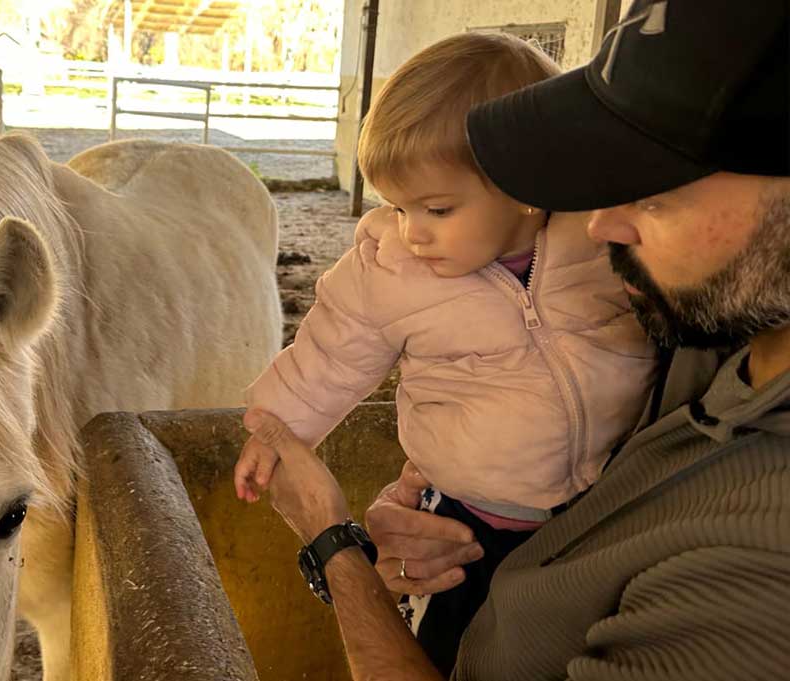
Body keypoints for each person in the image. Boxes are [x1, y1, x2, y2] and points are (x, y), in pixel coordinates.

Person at [241, 1, 790, 679]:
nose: (599, 222)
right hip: (472, 524)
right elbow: (334, 351)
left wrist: (333, 544)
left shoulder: (762, 560)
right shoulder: (711, 320)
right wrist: (296, 433)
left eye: (657, 186)